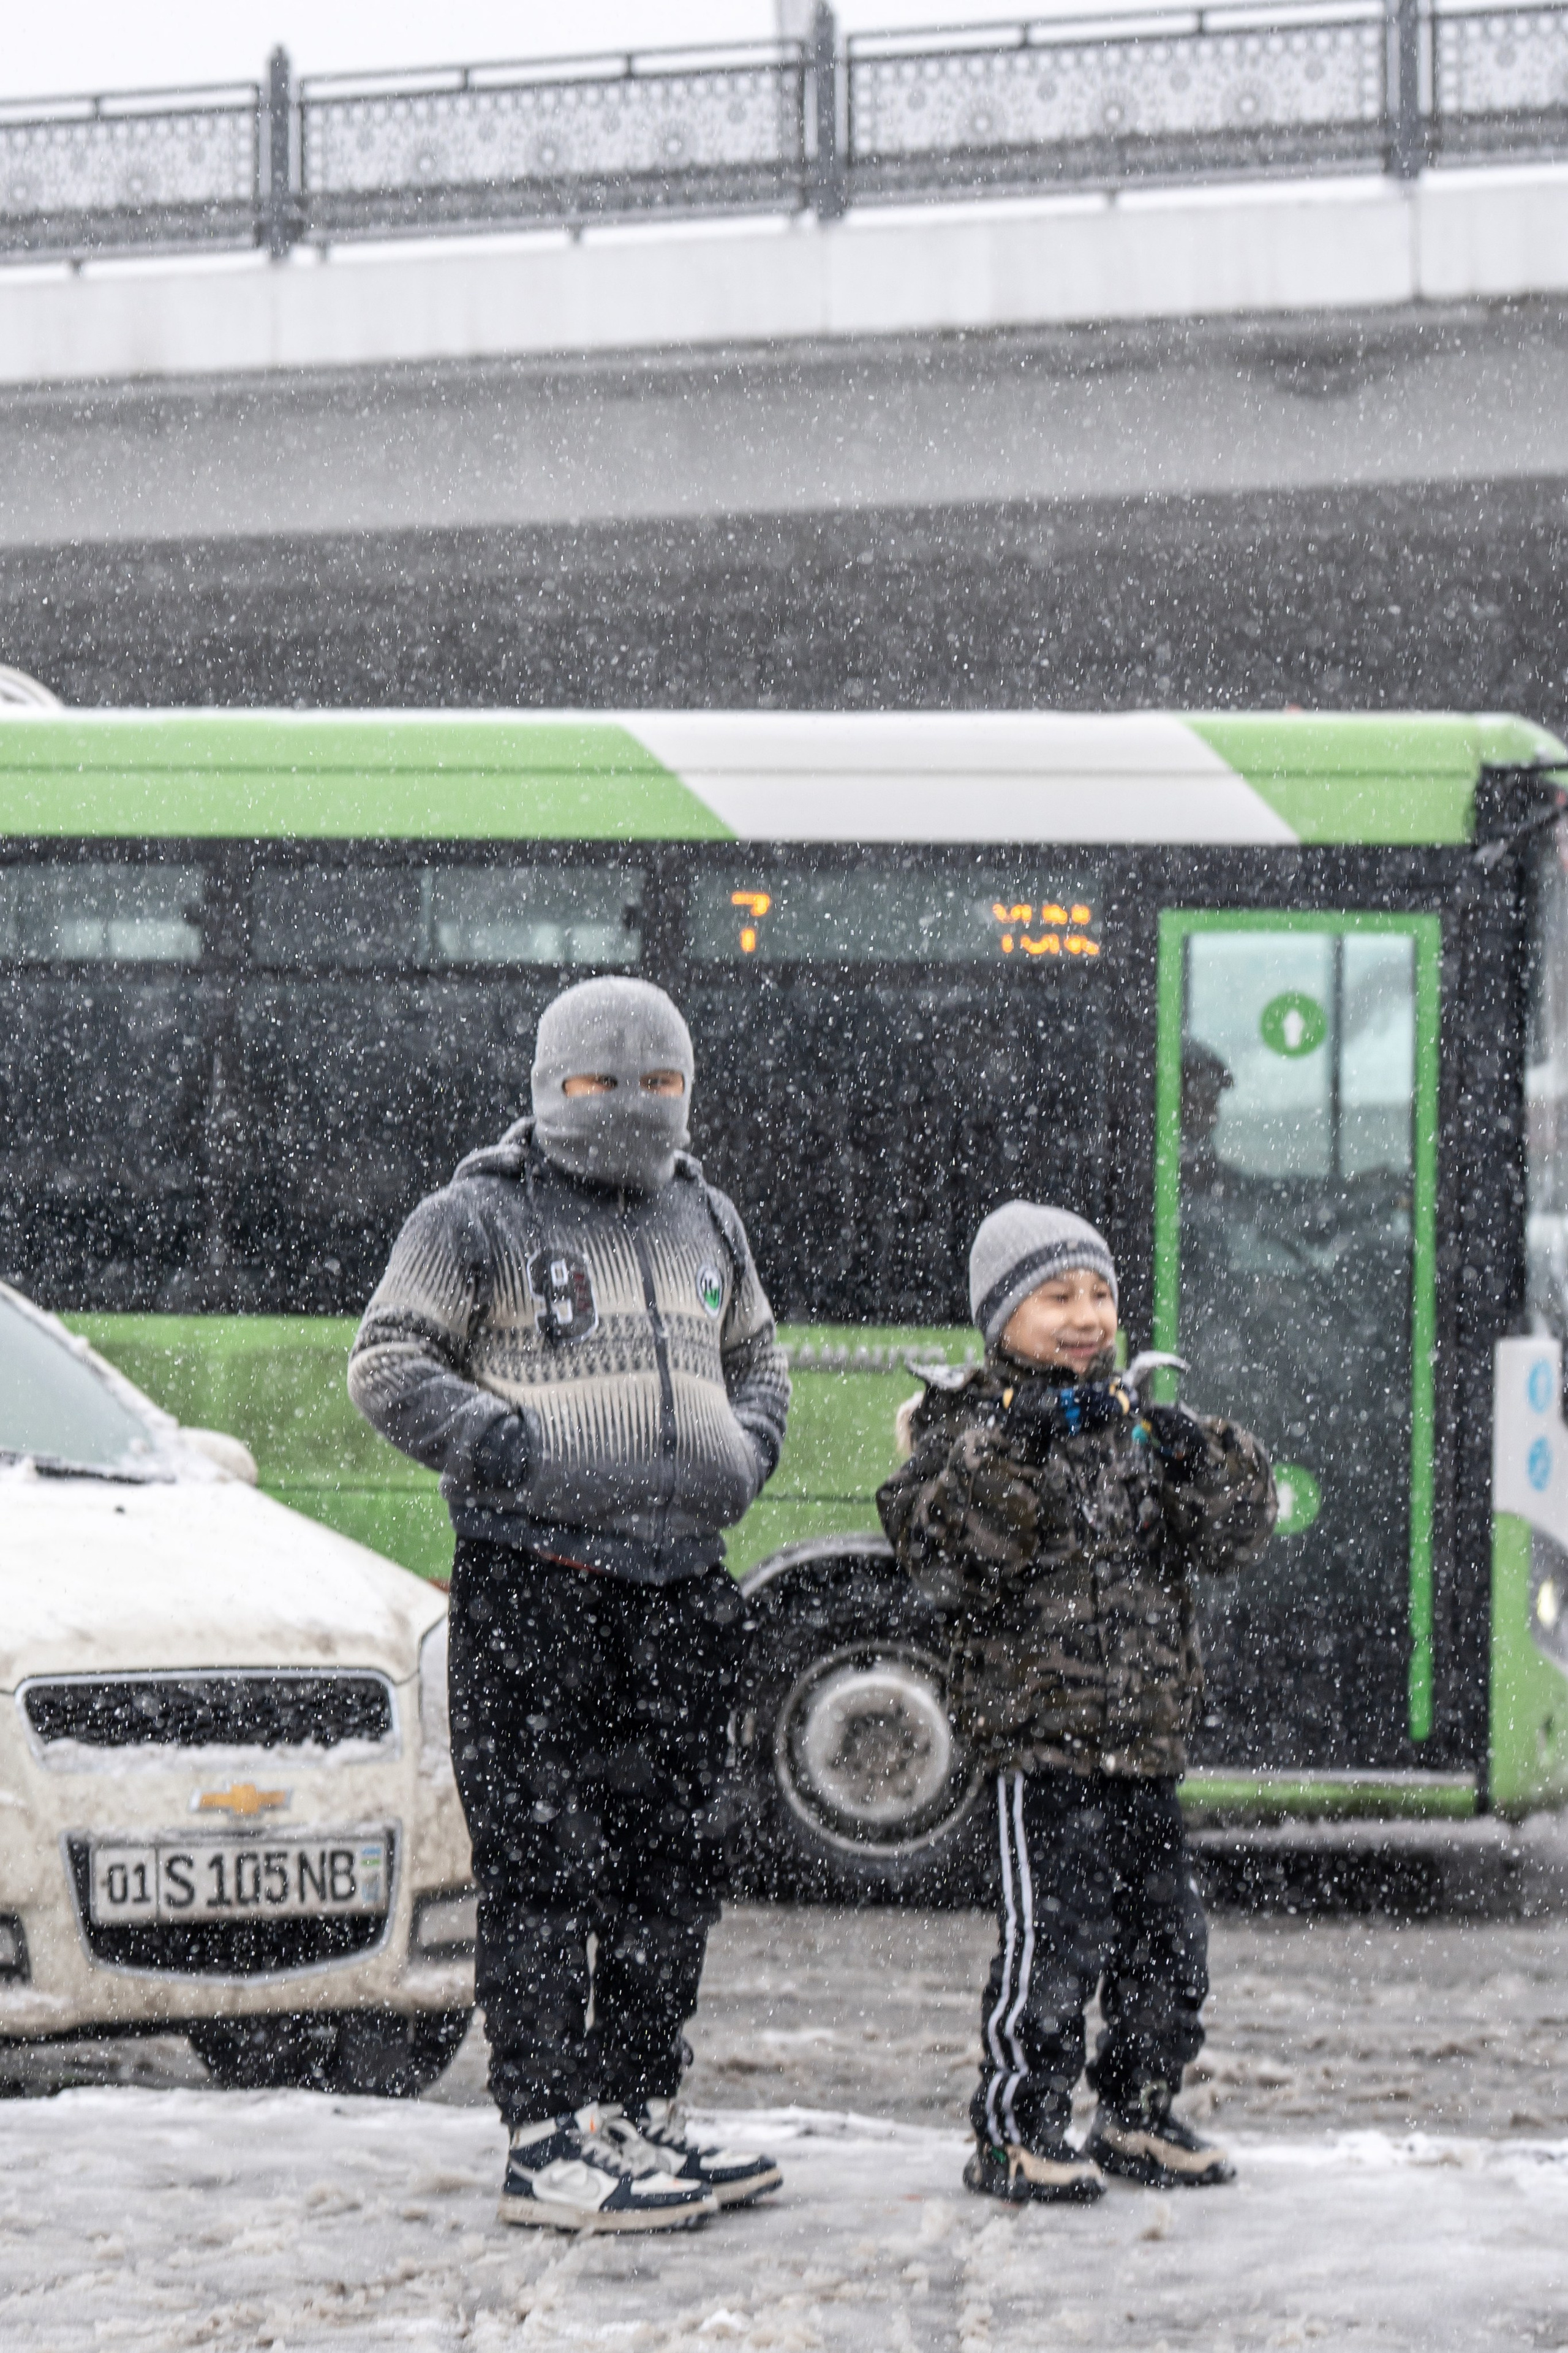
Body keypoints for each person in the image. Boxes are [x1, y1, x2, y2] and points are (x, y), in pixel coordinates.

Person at [349, 976, 790, 2233]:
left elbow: (757, 1357)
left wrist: (741, 1455)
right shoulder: (471, 1216)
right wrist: (506, 1448)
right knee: (544, 1865)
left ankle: (635, 2108)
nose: (634, 1106)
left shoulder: (708, 1215)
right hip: (537, 1582)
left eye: (661, 1082)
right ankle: (544, 2136)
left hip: (680, 1586)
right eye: (601, 1082)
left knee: (671, 1866)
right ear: (549, 1085)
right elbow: (387, 1359)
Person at [877, 1201, 1275, 2204]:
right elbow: (952, 1552)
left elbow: (1233, 1530)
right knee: (1050, 1950)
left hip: (1144, 1742)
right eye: (1057, 1296)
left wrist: (1196, 1452)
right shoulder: (963, 1424)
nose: (1086, 1316)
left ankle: (1137, 2112)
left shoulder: (1134, 1420)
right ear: (1002, 1313)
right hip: (1040, 1750)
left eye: (1099, 1293)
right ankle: (1016, 2129)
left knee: (1168, 1943)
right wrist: (1027, 1437)